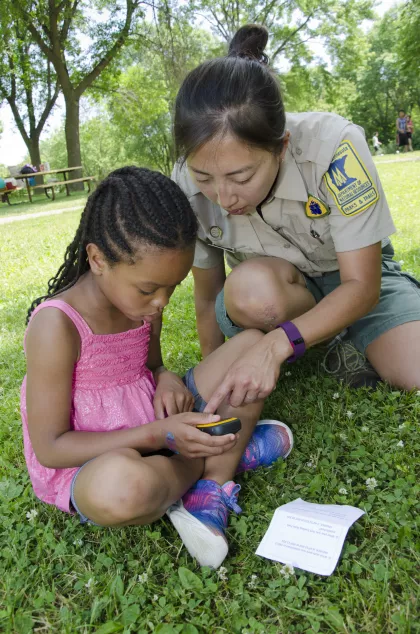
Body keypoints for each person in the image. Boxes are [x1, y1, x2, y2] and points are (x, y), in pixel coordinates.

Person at [21, 166, 293, 569]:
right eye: (150, 289)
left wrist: (164, 377)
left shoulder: (144, 305)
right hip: (92, 462)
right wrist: (159, 434)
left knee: (251, 346)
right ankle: (217, 458)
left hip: (156, 422)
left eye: (173, 287)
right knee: (123, 490)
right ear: (97, 259)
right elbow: (51, 447)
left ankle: (208, 489)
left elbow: (151, 362)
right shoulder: (55, 326)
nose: (161, 302)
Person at [171, 24, 420, 416]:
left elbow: (363, 284)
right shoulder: (183, 185)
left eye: (241, 176)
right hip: (278, 294)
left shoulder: (335, 147)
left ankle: (338, 342)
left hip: (356, 280)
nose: (223, 196)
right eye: (204, 177)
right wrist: (214, 371)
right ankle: (326, 342)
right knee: (252, 292)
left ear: (281, 146)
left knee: (414, 371)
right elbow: (207, 295)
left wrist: (274, 345)